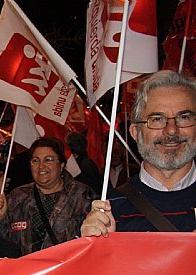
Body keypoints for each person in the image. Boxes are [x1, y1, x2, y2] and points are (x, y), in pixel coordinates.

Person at [81, 70, 196, 236]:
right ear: (135, 132)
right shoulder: (106, 212)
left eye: (184, 117)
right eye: (157, 119)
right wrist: (94, 250)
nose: (171, 130)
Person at [0, 137, 95, 255]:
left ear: (61, 165)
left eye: (48, 160)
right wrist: (0, 218)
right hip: (26, 271)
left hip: (67, 271)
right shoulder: (17, 197)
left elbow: (93, 244)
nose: (41, 166)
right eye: (35, 161)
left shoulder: (82, 195)